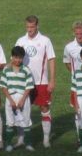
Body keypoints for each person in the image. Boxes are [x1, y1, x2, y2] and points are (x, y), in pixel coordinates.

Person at [15, 15, 57, 148]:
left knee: (44, 108)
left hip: (41, 81)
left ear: (37, 26)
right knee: (21, 109)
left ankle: (46, 139)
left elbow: (51, 59)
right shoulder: (21, 41)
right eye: (27, 27)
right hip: (23, 82)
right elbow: (15, 59)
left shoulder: (45, 41)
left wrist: (52, 80)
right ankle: (21, 139)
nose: (30, 29)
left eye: (32, 27)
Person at [0, 46, 35, 151]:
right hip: (10, 98)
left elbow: (29, 87)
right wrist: (10, 100)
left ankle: (28, 144)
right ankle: (9, 144)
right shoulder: (6, 69)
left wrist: (23, 100)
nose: (18, 60)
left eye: (20, 58)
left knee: (26, 120)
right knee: (10, 122)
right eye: (16, 57)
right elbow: (3, 86)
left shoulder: (26, 70)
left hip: (23, 97)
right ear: (12, 57)